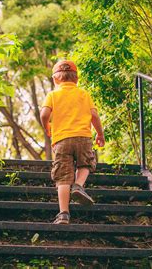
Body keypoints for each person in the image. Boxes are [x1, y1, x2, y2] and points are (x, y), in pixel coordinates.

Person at [40, 60, 105, 225]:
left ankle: (63, 214)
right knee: (85, 164)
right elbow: (94, 116)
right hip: (83, 137)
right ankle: (78, 185)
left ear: (55, 79)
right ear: (76, 79)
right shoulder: (84, 94)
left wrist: (47, 127)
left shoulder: (53, 95)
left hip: (61, 139)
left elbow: (44, 114)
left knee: (62, 177)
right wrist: (100, 134)